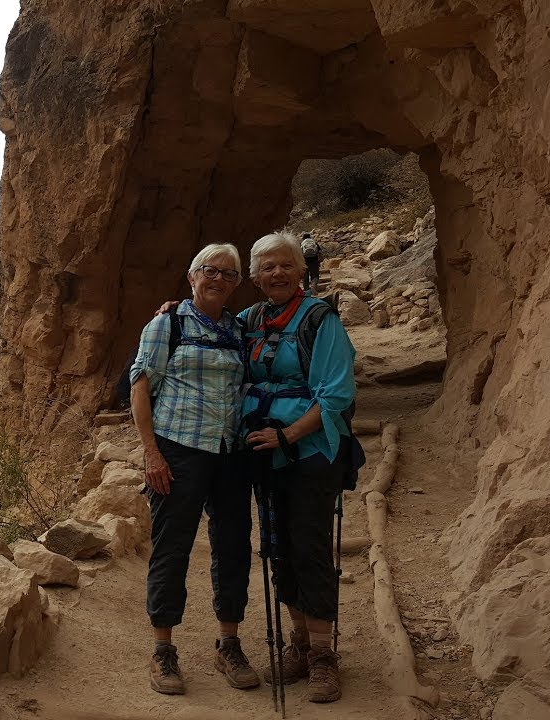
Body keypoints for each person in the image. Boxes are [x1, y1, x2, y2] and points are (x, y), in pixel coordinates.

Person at [129, 243, 260, 696]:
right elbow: (141, 389)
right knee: (172, 547)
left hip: (230, 452)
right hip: (178, 449)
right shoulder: (167, 324)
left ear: (237, 283)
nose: (218, 279)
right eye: (210, 270)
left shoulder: (240, 329)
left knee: (233, 545)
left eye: (229, 273)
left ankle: (229, 643)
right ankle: (163, 650)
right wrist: (151, 453)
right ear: (191, 276)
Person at [238, 230, 356, 703]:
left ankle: (325, 655)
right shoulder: (249, 320)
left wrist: (288, 434)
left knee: (309, 544)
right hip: (266, 454)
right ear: (254, 276)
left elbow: (336, 394)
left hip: (311, 452)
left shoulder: (320, 320)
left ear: (302, 269)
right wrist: (172, 309)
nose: (277, 273)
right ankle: (300, 642)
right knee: (277, 545)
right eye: (267, 266)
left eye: (286, 264)